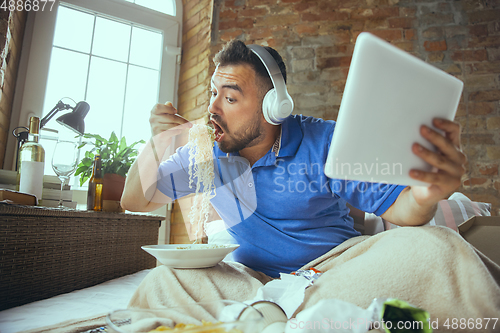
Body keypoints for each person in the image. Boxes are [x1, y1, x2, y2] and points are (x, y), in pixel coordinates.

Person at [119, 40, 500, 326]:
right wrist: (156, 143)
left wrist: (426, 193)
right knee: (166, 281)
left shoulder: (324, 141)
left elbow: (402, 210)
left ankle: (276, 321)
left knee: (437, 247)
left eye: (230, 97)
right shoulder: (207, 152)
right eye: (213, 93)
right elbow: (134, 201)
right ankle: (290, 320)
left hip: (336, 274)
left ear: (275, 106)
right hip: (252, 282)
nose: (213, 108)